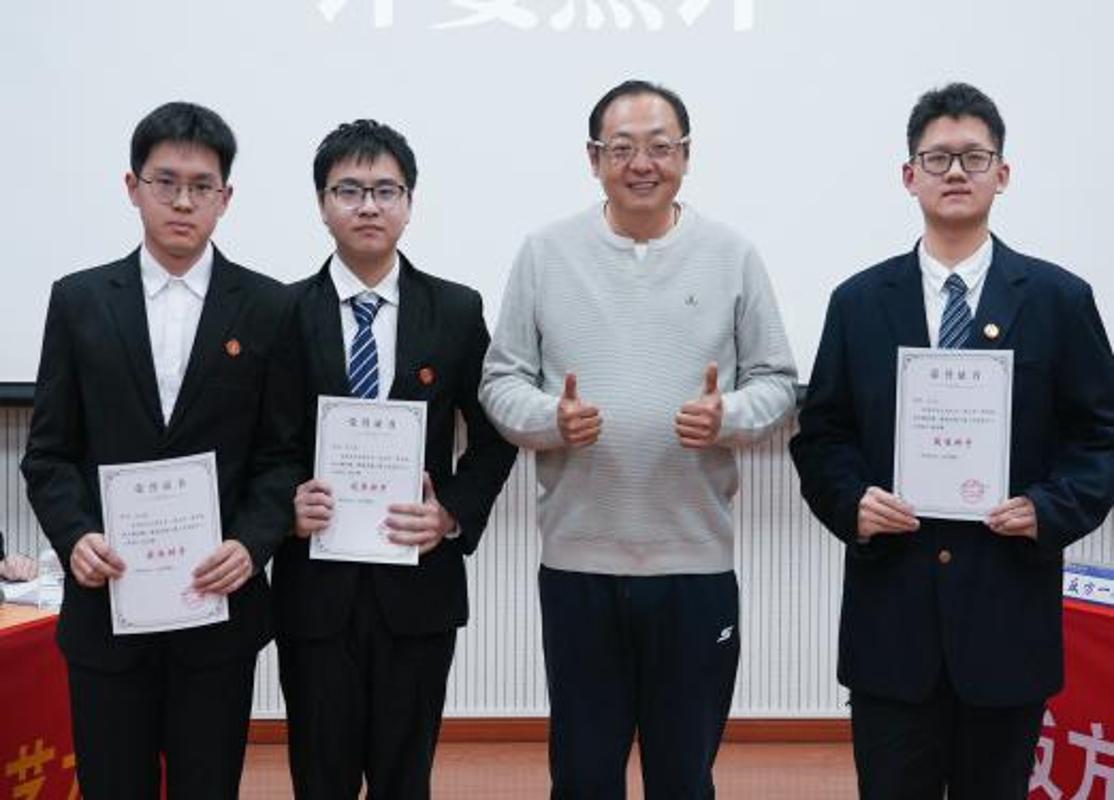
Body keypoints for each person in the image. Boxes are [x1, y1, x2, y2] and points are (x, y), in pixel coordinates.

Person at [789, 82, 1114, 798]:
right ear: (910, 176)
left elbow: (1100, 438)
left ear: (1004, 173)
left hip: (1007, 618)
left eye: (975, 157)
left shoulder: (1059, 301)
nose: (957, 172)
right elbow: (822, 437)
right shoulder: (858, 302)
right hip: (892, 626)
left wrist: (1049, 508)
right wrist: (853, 502)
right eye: (938, 158)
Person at [480, 80, 797, 798]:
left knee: (683, 777)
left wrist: (728, 416)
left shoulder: (732, 254)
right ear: (594, 159)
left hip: (694, 568)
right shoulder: (545, 253)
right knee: (584, 775)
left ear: (686, 156)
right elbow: (501, 380)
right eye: (621, 149)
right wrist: (550, 419)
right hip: (579, 567)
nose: (642, 164)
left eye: (660, 147)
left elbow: (777, 381)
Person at [20, 102, 303, 799]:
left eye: (201, 186)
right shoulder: (79, 301)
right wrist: (76, 536)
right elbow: (49, 454)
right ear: (132, 187)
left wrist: (251, 544)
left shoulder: (268, 307)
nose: (182, 202)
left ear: (225, 197)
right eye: (165, 182)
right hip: (107, 605)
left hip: (216, 609)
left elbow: (282, 457)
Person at [272, 119, 517, 800]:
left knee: (405, 779)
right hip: (314, 588)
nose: (369, 206)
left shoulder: (456, 310)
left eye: (386, 190)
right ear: (322, 204)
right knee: (319, 777)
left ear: (410, 202)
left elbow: (495, 437)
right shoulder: (280, 312)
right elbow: (262, 443)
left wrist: (452, 515)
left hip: (418, 590)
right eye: (349, 190)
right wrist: (284, 505)